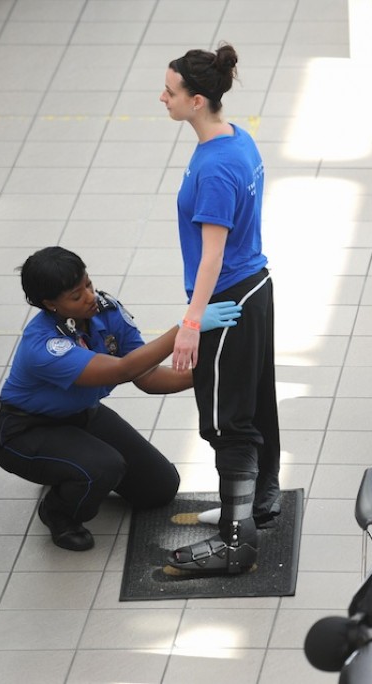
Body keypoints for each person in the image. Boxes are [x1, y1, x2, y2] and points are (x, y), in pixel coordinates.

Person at [0, 246, 241, 552]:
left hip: (81, 416)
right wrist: (185, 327)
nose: (89, 296)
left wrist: (211, 374)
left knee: (160, 488)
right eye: (75, 295)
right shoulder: (44, 346)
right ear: (50, 304)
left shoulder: (105, 312)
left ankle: (68, 467)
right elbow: (123, 369)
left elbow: (146, 376)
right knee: (104, 467)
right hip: (26, 431)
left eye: (88, 284)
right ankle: (58, 513)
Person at [159, 43, 281, 575]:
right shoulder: (236, 139)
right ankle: (259, 502)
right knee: (256, 400)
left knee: (225, 420)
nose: (161, 97)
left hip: (228, 300)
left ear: (197, 100)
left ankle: (237, 542)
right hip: (256, 285)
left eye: (171, 91)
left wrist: (191, 325)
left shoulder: (214, 169)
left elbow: (212, 255)